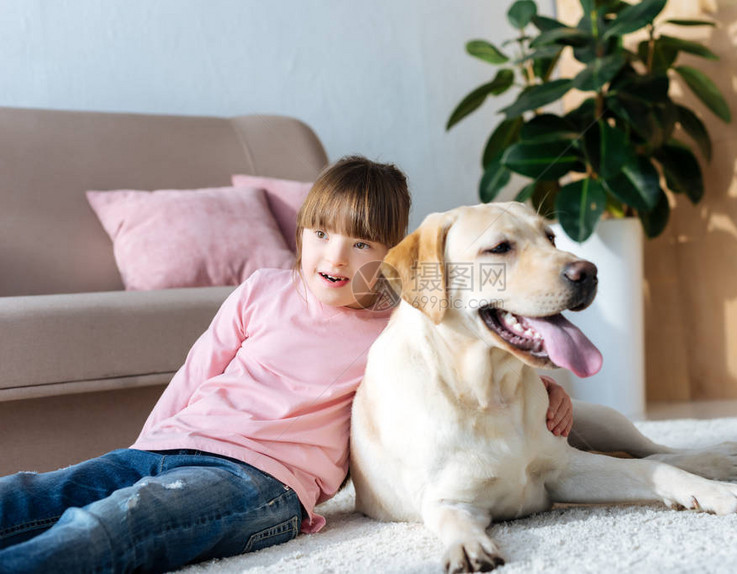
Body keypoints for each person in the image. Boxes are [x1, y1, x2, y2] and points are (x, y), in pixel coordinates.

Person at [0, 156, 573, 573]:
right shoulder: (261, 289)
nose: (335, 257)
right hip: (171, 447)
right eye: (320, 234)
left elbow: (476, 335)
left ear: (392, 256)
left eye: (362, 245)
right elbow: (197, 371)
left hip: (260, 485)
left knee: (117, 521)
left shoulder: (400, 321)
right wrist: (144, 452)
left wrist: (546, 386)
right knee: (42, 491)